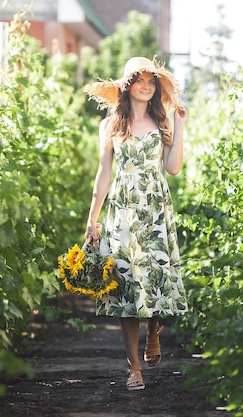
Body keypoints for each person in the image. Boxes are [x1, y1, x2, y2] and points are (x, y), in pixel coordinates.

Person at [83, 56, 189, 391]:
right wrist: (92, 220)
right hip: (122, 209)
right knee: (125, 285)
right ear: (127, 86)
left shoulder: (162, 124)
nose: (146, 85)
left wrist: (180, 125)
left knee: (153, 276)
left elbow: (172, 168)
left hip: (154, 208)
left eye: (151, 81)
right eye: (139, 80)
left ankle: (153, 331)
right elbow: (104, 175)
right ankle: (133, 368)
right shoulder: (111, 126)